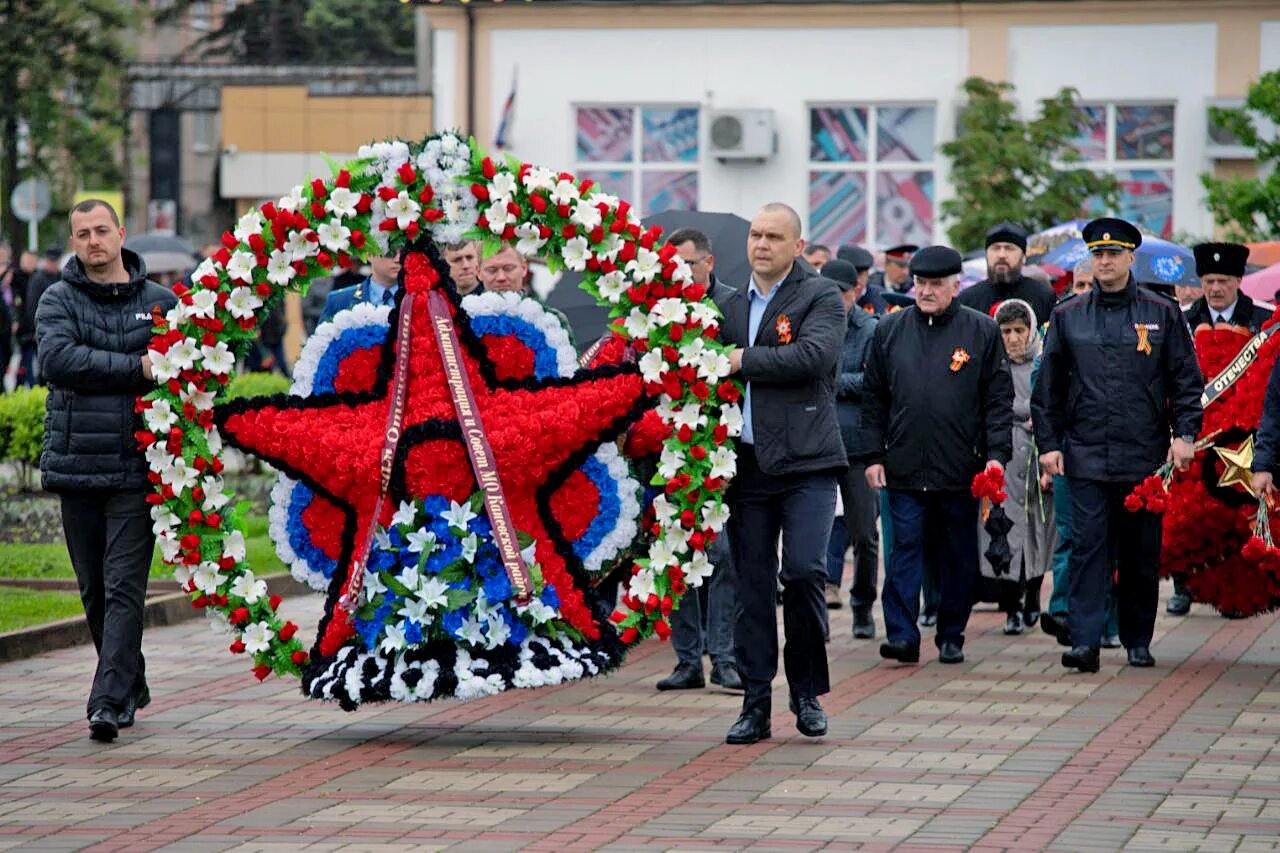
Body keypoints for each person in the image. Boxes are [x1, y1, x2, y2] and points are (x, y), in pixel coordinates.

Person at [1033, 217, 1203, 673]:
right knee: (1088, 548)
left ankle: (1136, 639)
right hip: (1085, 453)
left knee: (1139, 552)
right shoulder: (1067, 315)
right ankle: (1085, 642)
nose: (1104, 261)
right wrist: (1048, 445)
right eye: (1098, 254)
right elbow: (1047, 389)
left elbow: (1186, 381)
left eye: (1113, 254)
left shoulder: (1161, 312)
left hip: (1143, 455)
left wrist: (1185, 435)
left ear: (1131, 258)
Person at [35, 199, 177, 742]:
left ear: (121, 234)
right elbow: (59, 361)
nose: (93, 241)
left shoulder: (161, 302)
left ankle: (107, 701)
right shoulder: (57, 299)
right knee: (93, 588)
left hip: (138, 467)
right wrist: (137, 368)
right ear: (73, 242)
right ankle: (129, 678)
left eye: (101, 231)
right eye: (82, 234)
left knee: (124, 586)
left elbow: (179, 370)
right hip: (76, 467)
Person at [717, 202, 846, 744]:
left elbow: (814, 357)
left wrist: (743, 360)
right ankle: (755, 701)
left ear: (797, 247)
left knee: (802, 572)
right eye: (755, 235)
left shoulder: (820, 295)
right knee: (751, 586)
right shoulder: (723, 302)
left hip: (808, 463)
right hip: (745, 467)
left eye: (773, 236)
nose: (761, 244)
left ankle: (807, 692)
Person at [863, 245, 1013, 666]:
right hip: (904, 464)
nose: (926, 292)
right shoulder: (890, 331)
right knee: (904, 549)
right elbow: (874, 399)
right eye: (921, 284)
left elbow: (997, 400)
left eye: (935, 285)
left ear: (955, 285)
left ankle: (951, 633)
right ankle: (902, 635)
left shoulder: (981, 331)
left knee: (957, 554)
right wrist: (873, 455)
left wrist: (996, 455)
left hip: (960, 467)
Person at [654, 227, 741, 692]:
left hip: (722, 445)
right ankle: (688, 660)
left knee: (723, 553)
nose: (680, 273)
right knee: (678, 553)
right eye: (673, 265)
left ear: (708, 263)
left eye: (688, 264)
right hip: (672, 448)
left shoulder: (733, 304)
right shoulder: (658, 308)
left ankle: (724, 656)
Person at [1040, 256, 1120, 650]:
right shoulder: (1063, 322)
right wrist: (1049, 446)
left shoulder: (1126, 319)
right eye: (1080, 285)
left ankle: (1107, 623)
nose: (1085, 291)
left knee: (1111, 542)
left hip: (1120, 450)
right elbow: (1046, 389)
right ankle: (1064, 614)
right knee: (1074, 538)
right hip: (1074, 451)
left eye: (1091, 285)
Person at [983, 300, 1053, 635]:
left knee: (1038, 529)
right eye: (1006, 331)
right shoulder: (993, 366)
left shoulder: (1043, 363)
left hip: (1038, 455)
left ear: (1031, 331)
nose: (1013, 338)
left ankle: (1034, 597)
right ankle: (1010, 604)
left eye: (1019, 331)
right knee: (1005, 529)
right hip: (1005, 456)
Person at [821, 259, 880, 639]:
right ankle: (818, 612)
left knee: (865, 536)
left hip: (858, 447)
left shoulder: (871, 329)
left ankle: (862, 604)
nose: (833, 300)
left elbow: (873, 381)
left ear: (855, 292)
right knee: (816, 534)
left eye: (839, 293)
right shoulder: (814, 325)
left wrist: (831, 380)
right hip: (819, 445)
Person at [957, 222, 1057, 324]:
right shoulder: (967, 300)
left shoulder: (1043, 296)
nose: (1002, 255)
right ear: (986, 255)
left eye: (1009, 248)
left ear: (1023, 257)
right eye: (996, 248)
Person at [1183, 243, 1271, 334]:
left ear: (1238, 281)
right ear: (1201, 282)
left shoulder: (1266, 318)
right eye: (1209, 281)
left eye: (1223, 281)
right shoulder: (1181, 318)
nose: (1216, 289)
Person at [319, 252, 402, 323]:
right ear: (368, 254)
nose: (398, 258)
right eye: (390, 253)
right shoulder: (339, 300)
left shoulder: (413, 298)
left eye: (403, 252)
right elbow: (322, 339)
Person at [838, 244, 887, 316]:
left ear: (867, 274)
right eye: (850, 275)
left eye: (860, 274)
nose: (856, 280)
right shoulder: (833, 295)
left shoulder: (881, 297)